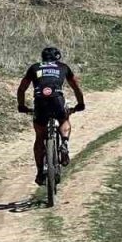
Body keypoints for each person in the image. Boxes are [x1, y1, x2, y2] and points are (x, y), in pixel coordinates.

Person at [17, 47, 85, 186]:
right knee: (64, 119)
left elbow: (22, 88)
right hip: (56, 99)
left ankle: (40, 171)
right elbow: (76, 87)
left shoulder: (34, 68)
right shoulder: (63, 67)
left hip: (40, 101)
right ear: (57, 58)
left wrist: (22, 106)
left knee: (39, 137)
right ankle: (64, 142)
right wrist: (80, 104)